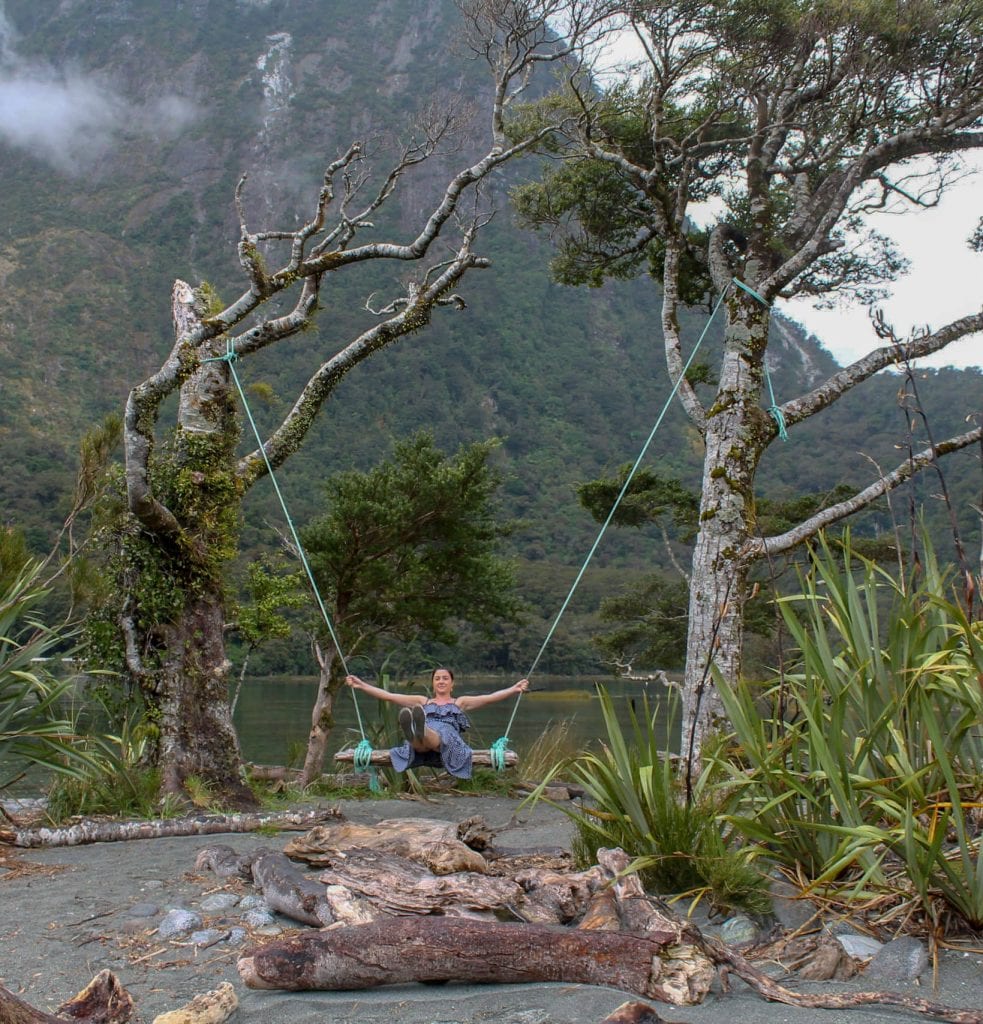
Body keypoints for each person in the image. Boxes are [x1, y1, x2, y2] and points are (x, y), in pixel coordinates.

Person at [344, 668, 529, 779]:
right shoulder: (422, 701)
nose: (441, 681)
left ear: (452, 684)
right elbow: (389, 696)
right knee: (419, 739)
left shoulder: (460, 702)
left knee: (436, 731)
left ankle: (418, 727)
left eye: (445, 678)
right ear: (433, 683)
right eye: (437, 678)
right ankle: (414, 729)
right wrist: (361, 685)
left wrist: (514, 689)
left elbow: (489, 698)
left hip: (446, 738)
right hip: (421, 745)